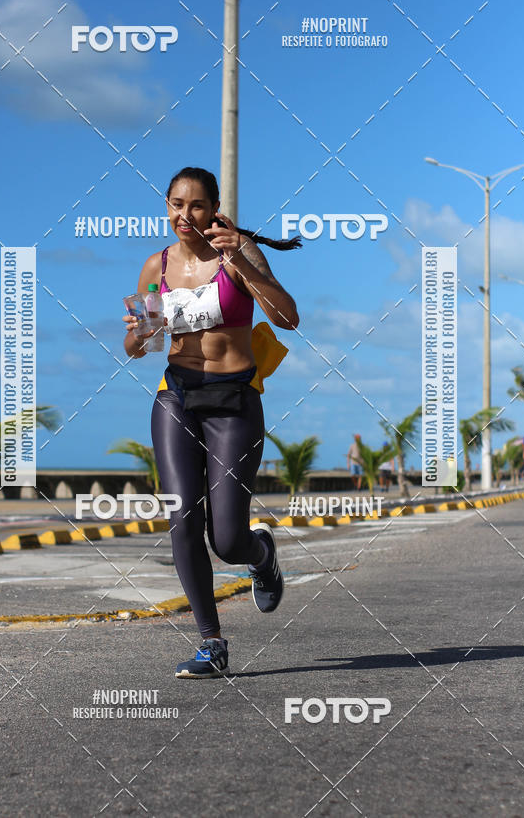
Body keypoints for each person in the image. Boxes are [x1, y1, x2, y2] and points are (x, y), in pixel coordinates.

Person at [122, 166, 300, 678]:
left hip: (234, 401)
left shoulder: (238, 254)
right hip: (175, 396)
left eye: (196, 205)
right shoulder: (155, 267)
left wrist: (248, 266)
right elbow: (140, 348)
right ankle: (211, 642)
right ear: (167, 206)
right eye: (176, 204)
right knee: (183, 518)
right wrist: (138, 331)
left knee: (227, 539)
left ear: (215, 208)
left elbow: (288, 317)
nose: (185, 215)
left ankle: (260, 552)